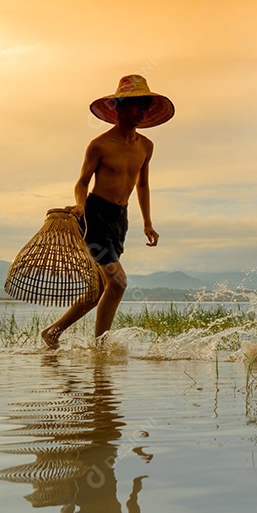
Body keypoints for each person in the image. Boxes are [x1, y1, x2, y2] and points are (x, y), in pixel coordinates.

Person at [41, 75, 174, 349]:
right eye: (137, 105)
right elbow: (82, 181)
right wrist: (79, 204)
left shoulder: (145, 146)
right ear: (120, 108)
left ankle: (53, 332)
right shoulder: (99, 144)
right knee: (119, 283)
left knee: (101, 289)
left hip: (119, 219)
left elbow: (143, 184)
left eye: (145, 106)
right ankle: (100, 349)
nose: (142, 112)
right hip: (95, 217)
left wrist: (148, 223)